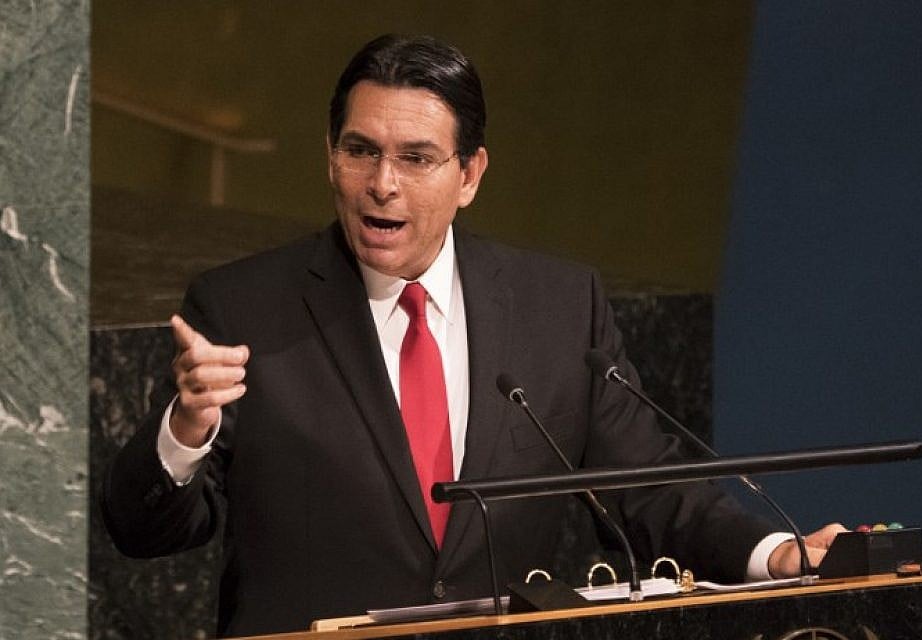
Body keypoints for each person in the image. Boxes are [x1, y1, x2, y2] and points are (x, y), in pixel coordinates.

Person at [102, 34, 844, 637]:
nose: (381, 183)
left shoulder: (559, 307)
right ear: (330, 155)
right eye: (360, 150)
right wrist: (185, 429)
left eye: (416, 158)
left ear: (470, 174)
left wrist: (778, 555)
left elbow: (646, 492)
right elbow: (142, 531)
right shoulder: (243, 308)